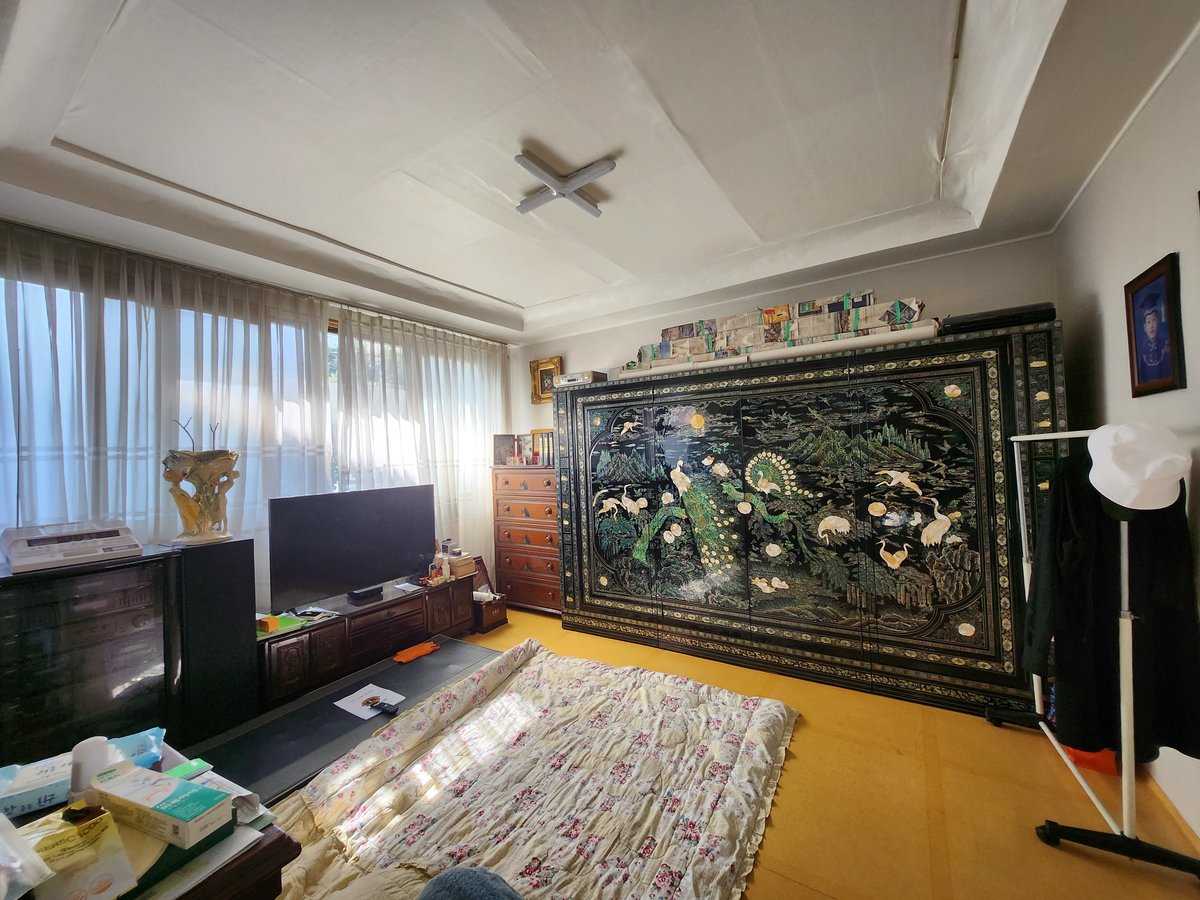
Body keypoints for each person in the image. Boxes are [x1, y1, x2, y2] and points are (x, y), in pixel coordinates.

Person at [1135, 292, 1171, 383]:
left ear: (1158, 322)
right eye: (1148, 322)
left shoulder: (1166, 347)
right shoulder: (1143, 354)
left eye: (1154, 320)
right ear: (1145, 327)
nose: (1151, 326)